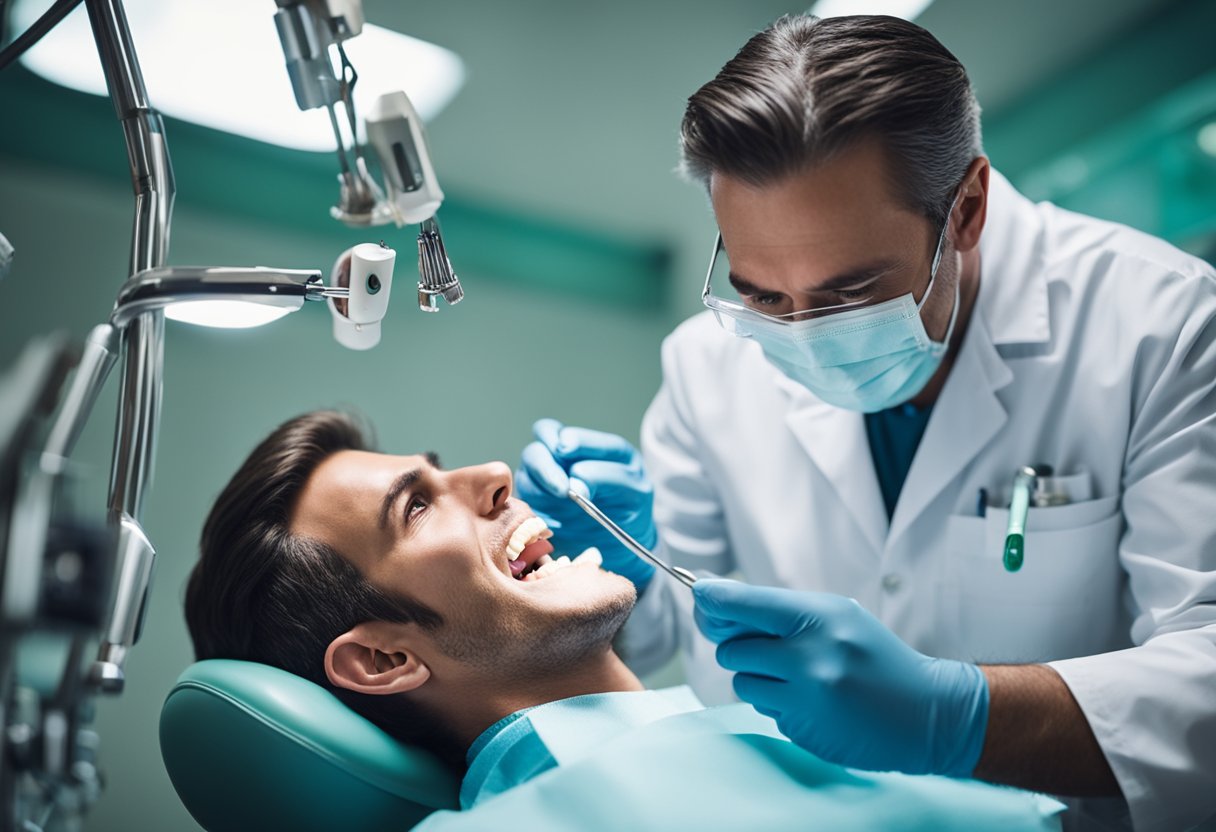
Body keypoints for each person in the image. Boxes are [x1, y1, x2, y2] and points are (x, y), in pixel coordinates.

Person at [515, 13, 1216, 832]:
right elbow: (669, 632)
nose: (803, 334)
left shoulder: (1161, 325)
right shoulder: (706, 366)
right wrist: (623, 572)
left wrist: (960, 717)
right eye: (762, 295)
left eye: (850, 293)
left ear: (967, 210)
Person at [184, 410, 1063, 831]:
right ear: (380, 660)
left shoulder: (748, 728)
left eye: (440, 469)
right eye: (416, 509)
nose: (493, 473)